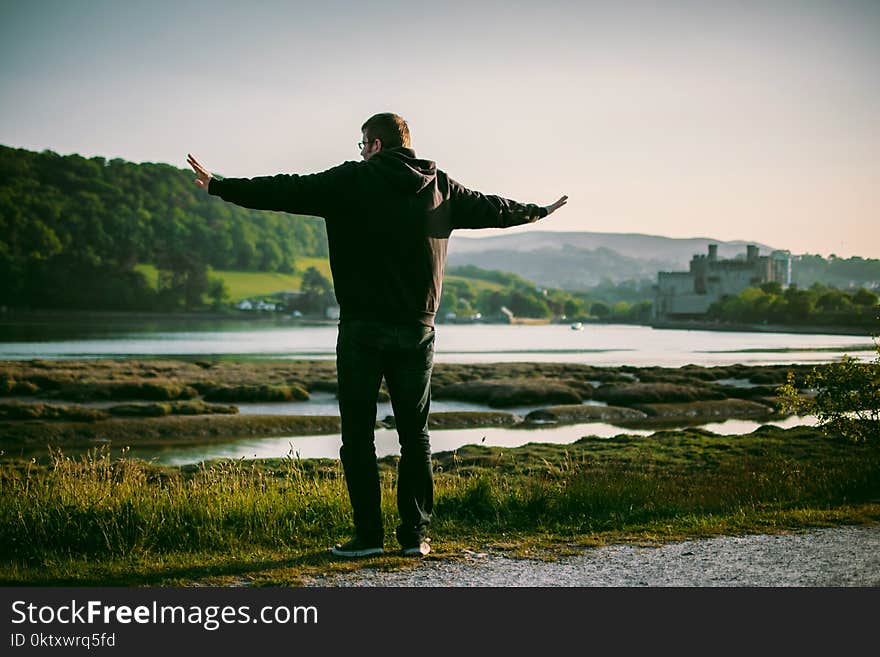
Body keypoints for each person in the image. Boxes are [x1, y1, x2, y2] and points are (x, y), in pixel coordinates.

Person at [187, 113, 567, 558]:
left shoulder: (352, 180)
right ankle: (415, 539)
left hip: (362, 328)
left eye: (363, 143)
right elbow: (495, 209)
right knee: (416, 436)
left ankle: (368, 538)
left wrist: (220, 185)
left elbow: (285, 189)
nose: (361, 151)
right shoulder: (441, 187)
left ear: (376, 144)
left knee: (358, 436)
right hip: (417, 329)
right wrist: (536, 211)